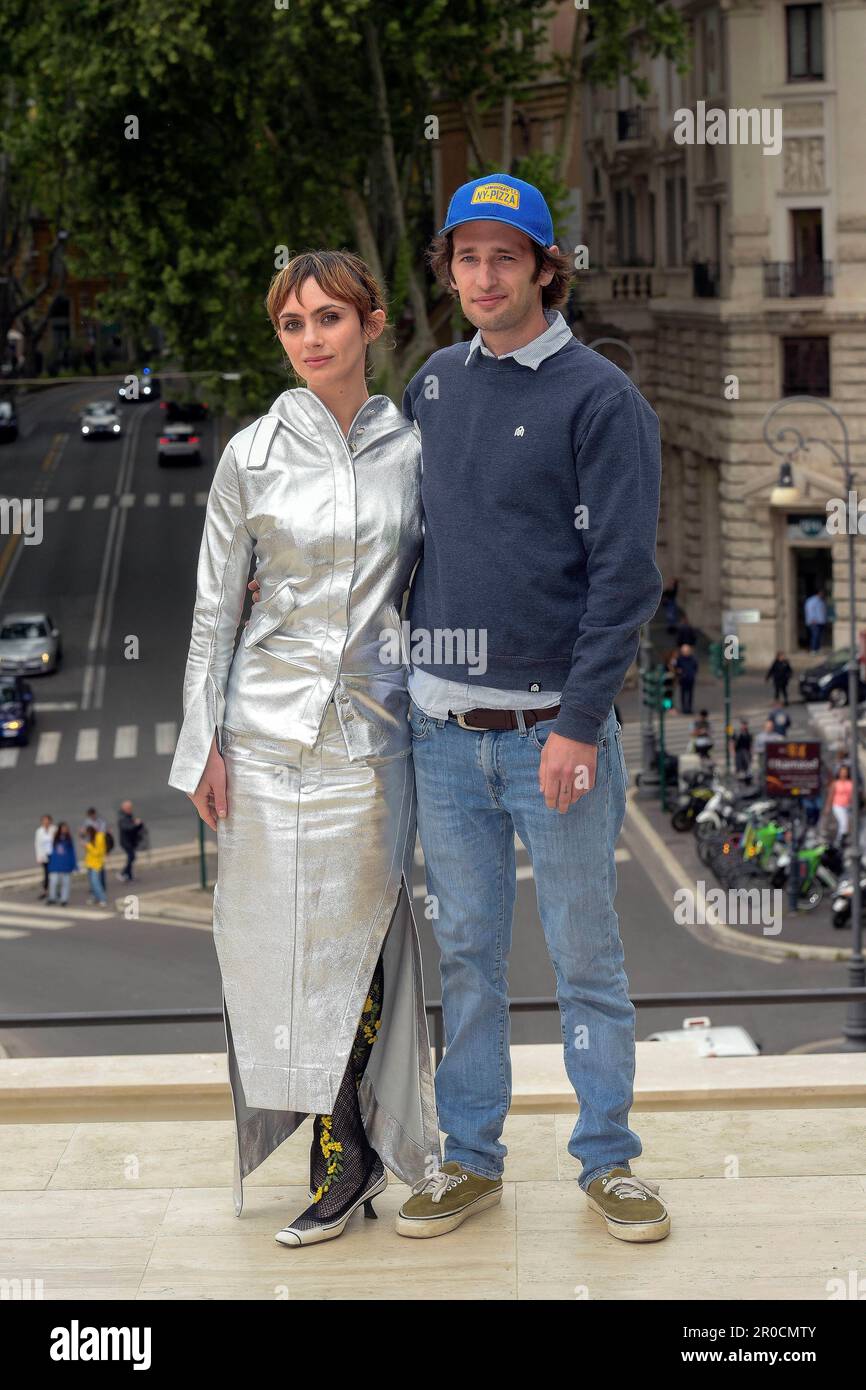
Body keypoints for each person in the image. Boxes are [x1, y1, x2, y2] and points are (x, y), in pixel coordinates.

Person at [392, 173, 669, 1242]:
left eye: (504, 256)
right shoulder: (432, 386)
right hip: (439, 732)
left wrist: (577, 725)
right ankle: (471, 1159)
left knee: (584, 959)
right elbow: (407, 545)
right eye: (466, 256)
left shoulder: (601, 399)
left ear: (545, 270)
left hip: (549, 736)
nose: (482, 274)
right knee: (464, 956)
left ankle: (607, 1161)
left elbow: (623, 579)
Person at [170, 249, 440, 1246]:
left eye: (329, 318)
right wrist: (203, 744)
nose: (311, 338)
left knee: (361, 945)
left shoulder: (416, 449)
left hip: (372, 744)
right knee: (271, 956)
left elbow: (447, 585)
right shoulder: (249, 453)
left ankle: (365, 1141)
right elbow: (210, 613)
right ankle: (338, 1154)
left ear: (372, 326)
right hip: (264, 741)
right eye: (292, 324)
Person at [46, 823, 77, 906]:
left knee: (65, 883)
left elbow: (72, 853)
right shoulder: (55, 839)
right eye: (63, 828)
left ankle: (64, 899)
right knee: (53, 882)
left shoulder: (68, 840)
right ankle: (52, 897)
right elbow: (48, 849)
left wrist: (74, 865)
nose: (64, 830)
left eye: (66, 828)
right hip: (55, 865)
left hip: (65, 865)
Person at [80, 807, 108, 894]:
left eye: (93, 815)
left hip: (98, 846)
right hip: (90, 846)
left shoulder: (101, 822)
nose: (92, 817)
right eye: (90, 815)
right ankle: (93, 887)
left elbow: (102, 833)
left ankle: (101, 886)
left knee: (100, 867)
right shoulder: (86, 822)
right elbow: (83, 834)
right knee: (90, 867)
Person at [826, 763, 854, 846]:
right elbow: (830, 795)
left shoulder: (851, 783)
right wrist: (828, 807)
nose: (844, 773)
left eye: (845, 771)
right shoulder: (835, 783)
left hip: (848, 806)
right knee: (843, 822)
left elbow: (853, 795)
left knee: (849, 824)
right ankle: (839, 840)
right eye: (842, 772)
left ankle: (846, 839)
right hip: (837, 805)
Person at [84, 825, 110, 907]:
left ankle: (103, 899)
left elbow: (98, 852)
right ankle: (95, 897)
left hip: (97, 864)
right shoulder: (91, 838)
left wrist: (87, 846)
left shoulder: (99, 837)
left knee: (95, 882)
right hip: (90, 863)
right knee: (92, 883)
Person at [117, 801, 142, 882]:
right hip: (126, 841)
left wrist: (138, 824)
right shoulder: (123, 817)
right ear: (124, 808)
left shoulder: (127, 815)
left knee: (131, 857)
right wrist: (136, 824)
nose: (130, 809)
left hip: (129, 841)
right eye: (129, 808)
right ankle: (123, 873)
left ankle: (129, 875)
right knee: (132, 856)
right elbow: (127, 828)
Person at [672, 643, 698, 715]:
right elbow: (675, 667)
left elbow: (695, 667)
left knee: (690, 694)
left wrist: (693, 674)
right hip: (683, 679)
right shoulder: (679, 659)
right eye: (684, 651)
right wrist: (679, 672)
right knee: (683, 694)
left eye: (687, 651)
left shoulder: (693, 658)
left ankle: (689, 708)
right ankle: (684, 708)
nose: (686, 652)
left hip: (690, 679)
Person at [34, 814, 56, 900]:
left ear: (50, 821)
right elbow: (37, 844)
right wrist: (38, 856)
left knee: (55, 873)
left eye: (47, 820)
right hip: (45, 855)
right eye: (44, 821)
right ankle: (45, 891)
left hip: (53, 855)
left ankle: (55, 890)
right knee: (46, 874)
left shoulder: (54, 829)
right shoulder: (39, 831)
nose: (46, 822)